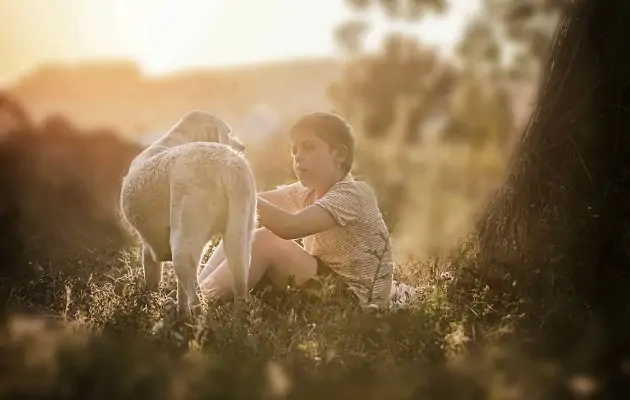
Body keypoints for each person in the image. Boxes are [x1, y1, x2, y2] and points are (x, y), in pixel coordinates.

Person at [197, 111, 393, 308]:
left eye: (308, 147)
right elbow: (253, 204)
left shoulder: (354, 194)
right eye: (295, 151)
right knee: (245, 221)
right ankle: (194, 292)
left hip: (358, 304)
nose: (298, 157)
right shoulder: (306, 192)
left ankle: (195, 305)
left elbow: (290, 227)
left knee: (264, 240)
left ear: (339, 154)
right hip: (326, 287)